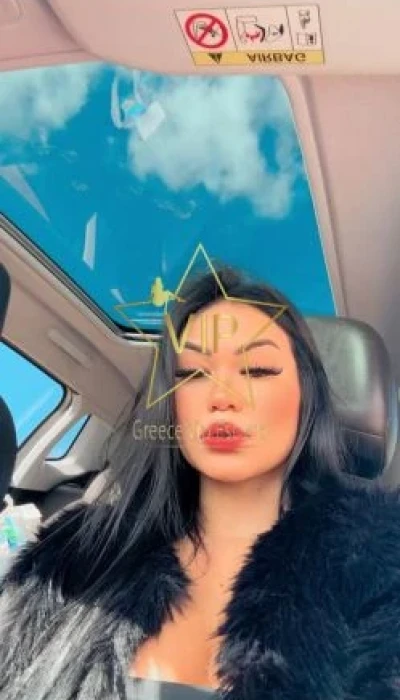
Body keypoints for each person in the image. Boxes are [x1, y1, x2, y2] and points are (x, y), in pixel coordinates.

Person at [0, 265, 400, 700]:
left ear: (307, 399)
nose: (221, 396)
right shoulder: (75, 558)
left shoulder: (380, 565)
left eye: (257, 369)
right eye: (192, 373)